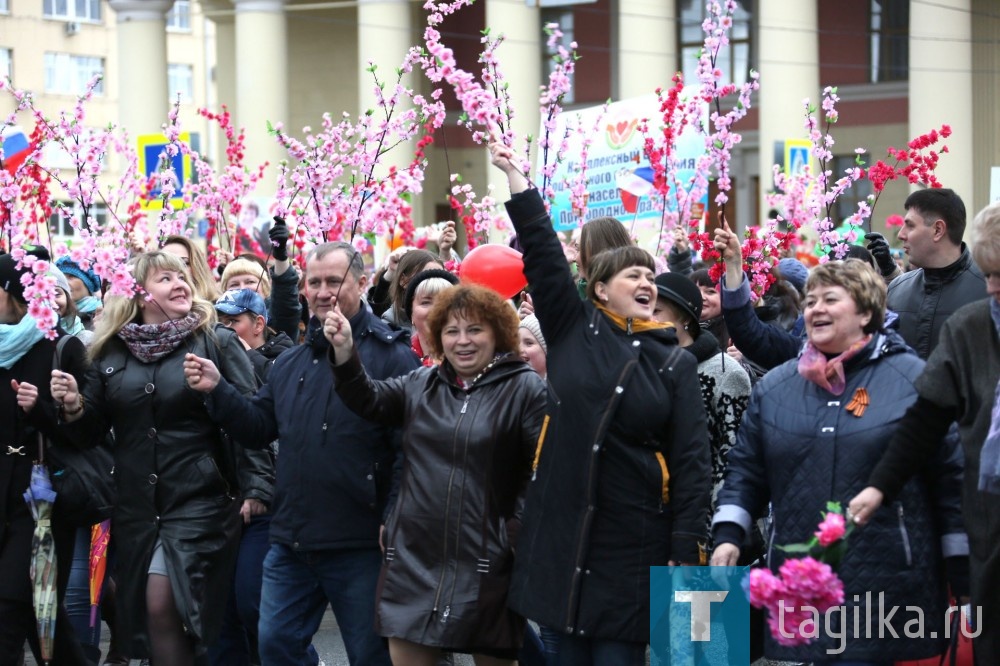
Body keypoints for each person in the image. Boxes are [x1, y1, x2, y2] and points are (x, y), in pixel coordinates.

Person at [490, 142, 711, 666]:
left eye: (649, 277)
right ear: (599, 290)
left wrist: (685, 546)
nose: (644, 283)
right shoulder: (570, 331)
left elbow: (692, 464)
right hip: (565, 533)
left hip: (634, 541)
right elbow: (543, 258)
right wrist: (520, 184)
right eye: (631, 275)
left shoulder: (674, 363)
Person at [711, 259, 968, 663]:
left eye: (831, 299)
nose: (815, 309)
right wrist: (728, 535)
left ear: (866, 312)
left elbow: (949, 479)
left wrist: (962, 571)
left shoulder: (914, 380)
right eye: (810, 300)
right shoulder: (777, 387)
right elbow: (746, 470)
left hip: (887, 580)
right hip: (803, 576)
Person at [182, 241, 419, 666]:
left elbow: (407, 448)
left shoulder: (391, 355)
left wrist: (394, 515)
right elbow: (256, 428)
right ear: (303, 291)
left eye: (335, 280)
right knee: (274, 645)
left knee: (370, 655)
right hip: (292, 538)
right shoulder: (290, 363)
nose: (324, 291)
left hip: (360, 540)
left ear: (363, 284)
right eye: (314, 282)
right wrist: (219, 388)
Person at [49, 250, 258, 664]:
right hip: (136, 508)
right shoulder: (109, 352)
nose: (181, 284)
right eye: (166, 279)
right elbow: (90, 431)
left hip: (200, 499)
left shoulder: (215, 339)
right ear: (140, 295)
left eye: (182, 277)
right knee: (152, 616)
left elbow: (253, 422)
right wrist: (73, 407)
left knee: (167, 604)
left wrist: (258, 487)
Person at [326, 283, 547, 665]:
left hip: (487, 559)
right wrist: (345, 353)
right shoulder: (420, 384)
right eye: (451, 331)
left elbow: (542, 471)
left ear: (498, 332)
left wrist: (513, 534)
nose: (463, 341)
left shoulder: (524, 387)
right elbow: (368, 399)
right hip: (413, 558)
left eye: (475, 329)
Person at [849, 202, 1000, 665]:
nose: (993, 289)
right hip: (988, 517)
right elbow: (926, 417)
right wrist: (879, 485)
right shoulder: (972, 327)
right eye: (990, 276)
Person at [1, 250, 90, 665]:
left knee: (11, 602)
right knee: (43, 615)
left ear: (10, 294)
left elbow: (86, 434)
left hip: (40, 498)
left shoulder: (61, 347)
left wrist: (46, 408)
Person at [886, 188, 985, 359]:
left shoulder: (989, 291)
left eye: (910, 225)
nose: (901, 234)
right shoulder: (896, 289)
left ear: (938, 230)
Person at [220, 217, 302, 343]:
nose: (242, 288)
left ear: (265, 288)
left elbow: (285, 298)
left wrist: (280, 256)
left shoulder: (276, 320)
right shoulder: (217, 325)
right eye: (234, 284)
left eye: (250, 282)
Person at [402, 268, 459, 366]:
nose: (435, 311)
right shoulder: (399, 358)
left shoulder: (472, 357)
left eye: (444, 302)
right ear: (412, 313)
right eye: (426, 302)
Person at [162, 234, 223, 302]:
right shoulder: (153, 310)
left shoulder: (219, 309)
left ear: (198, 267)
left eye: (184, 263)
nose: (175, 269)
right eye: (167, 264)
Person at [57, 256, 103, 330]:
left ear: (88, 283)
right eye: (61, 278)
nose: (65, 283)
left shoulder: (104, 314)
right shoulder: (55, 317)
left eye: (71, 277)